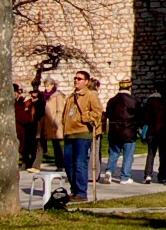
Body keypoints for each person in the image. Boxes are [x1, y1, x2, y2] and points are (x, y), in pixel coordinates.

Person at [62, 70, 103, 202]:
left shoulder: (90, 95)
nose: (76, 81)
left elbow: (97, 112)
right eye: (75, 78)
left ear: (86, 81)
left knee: (80, 163)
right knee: (68, 163)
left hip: (82, 132)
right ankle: (74, 190)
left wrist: (85, 118)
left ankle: (81, 192)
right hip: (69, 133)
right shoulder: (71, 97)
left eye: (79, 79)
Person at [103, 80, 138, 184]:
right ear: (129, 88)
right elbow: (139, 115)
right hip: (129, 130)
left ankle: (109, 171)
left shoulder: (112, 100)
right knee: (128, 155)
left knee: (114, 153)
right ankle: (124, 177)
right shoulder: (133, 101)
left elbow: (108, 114)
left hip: (114, 130)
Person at [138, 83, 166, 184]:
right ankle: (162, 176)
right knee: (163, 154)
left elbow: (145, 116)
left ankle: (148, 174)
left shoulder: (150, 102)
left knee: (151, 153)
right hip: (164, 131)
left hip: (152, 131)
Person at [35, 78, 65, 173]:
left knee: (56, 145)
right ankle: (36, 166)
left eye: (48, 86)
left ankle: (60, 164)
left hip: (53, 123)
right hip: (44, 122)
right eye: (45, 86)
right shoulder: (44, 96)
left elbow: (60, 110)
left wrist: (56, 122)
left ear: (52, 85)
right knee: (40, 143)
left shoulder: (57, 96)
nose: (46, 88)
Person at [14, 84, 35, 168]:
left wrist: (16, 114)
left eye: (15, 93)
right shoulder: (13, 102)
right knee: (18, 146)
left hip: (24, 128)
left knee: (24, 146)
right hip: (16, 127)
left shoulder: (24, 101)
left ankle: (26, 162)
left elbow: (26, 116)